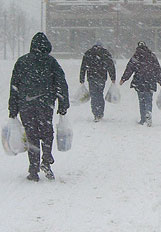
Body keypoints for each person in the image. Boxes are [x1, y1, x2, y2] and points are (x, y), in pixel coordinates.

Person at [8, 32, 69, 182]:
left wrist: (13, 107)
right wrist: (63, 104)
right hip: (45, 103)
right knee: (46, 131)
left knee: (31, 135)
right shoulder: (51, 62)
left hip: (26, 104)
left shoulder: (22, 62)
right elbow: (61, 83)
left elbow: (14, 86)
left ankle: (33, 169)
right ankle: (47, 159)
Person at [120, 41, 161, 127]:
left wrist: (123, 79)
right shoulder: (152, 56)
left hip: (139, 81)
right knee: (148, 99)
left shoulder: (136, 57)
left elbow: (129, 69)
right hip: (150, 80)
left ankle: (143, 119)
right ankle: (148, 112)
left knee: (141, 100)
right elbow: (158, 69)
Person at [79, 42, 116, 122]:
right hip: (102, 77)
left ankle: (95, 113)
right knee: (100, 94)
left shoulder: (88, 53)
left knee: (93, 95)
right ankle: (100, 112)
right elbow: (110, 66)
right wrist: (113, 77)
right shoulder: (105, 53)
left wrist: (82, 78)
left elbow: (83, 67)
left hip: (91, 77)